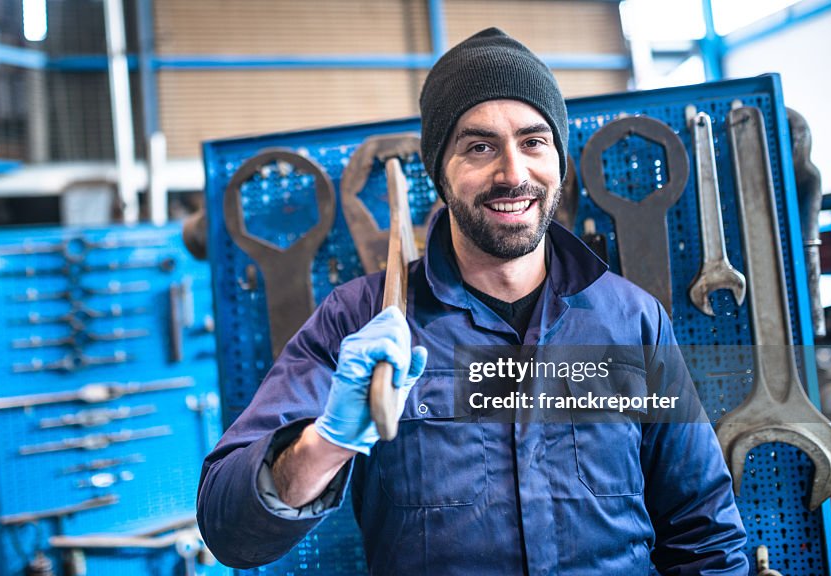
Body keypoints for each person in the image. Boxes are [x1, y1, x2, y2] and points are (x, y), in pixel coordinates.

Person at [197, 27, 749, 575]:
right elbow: (229, 534)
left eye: (534, 142)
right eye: (480, 147)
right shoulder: (359, 322)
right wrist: (325, 443)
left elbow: (704, 533)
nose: (513, 173)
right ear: (440, 171)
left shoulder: (632, 321)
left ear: (558, 158)